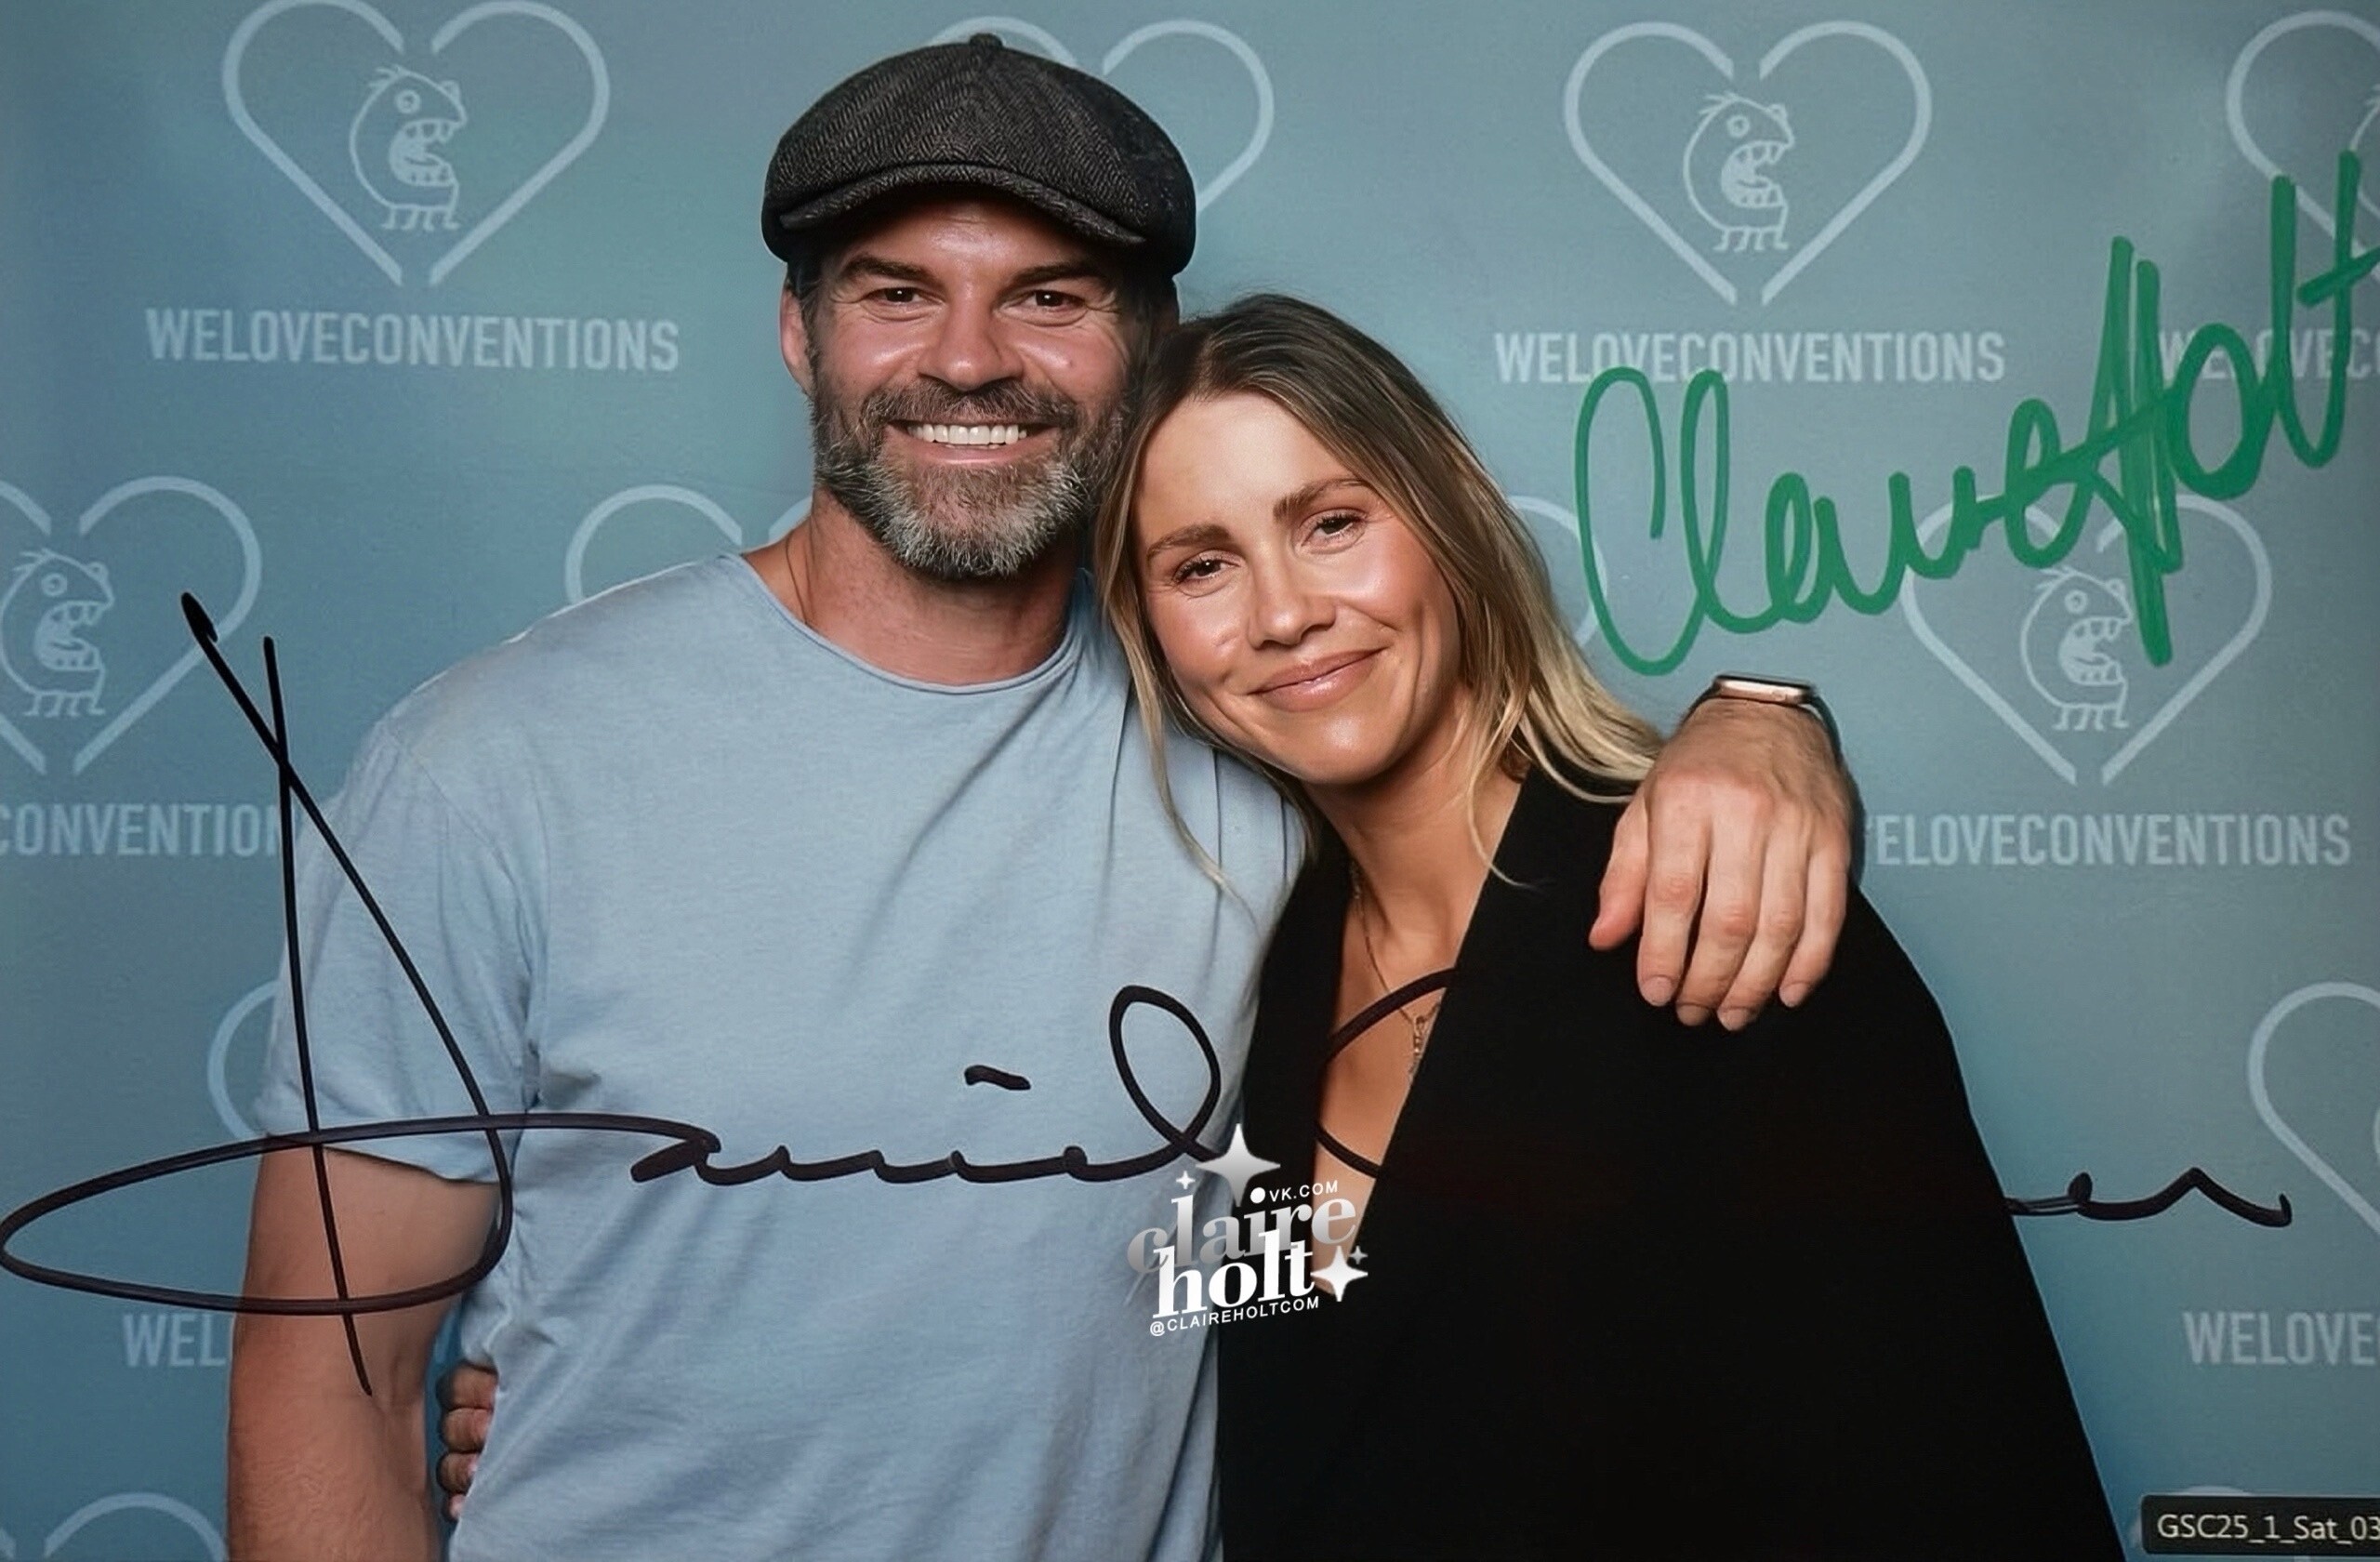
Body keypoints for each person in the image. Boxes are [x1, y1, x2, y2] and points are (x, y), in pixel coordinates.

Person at [233, 37, 1852, 1562]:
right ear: (799, 333)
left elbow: (1286, 1260)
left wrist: (1765, 719)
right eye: (897, 293)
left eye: (1049, 297)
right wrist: (610, 1402)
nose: (967, 358)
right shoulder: (494, 769)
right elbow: (335, 1373)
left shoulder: (1254, 754)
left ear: (1143, 350)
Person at [1085, 293, 2121, 1558]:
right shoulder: (1257, 966)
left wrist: (1767, 710)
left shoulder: (1719, 903)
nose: (1284, 612)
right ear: (1148, 626)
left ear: (1449, 509)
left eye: (1333, 523)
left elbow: (1976, 1481)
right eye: (1201, 565)